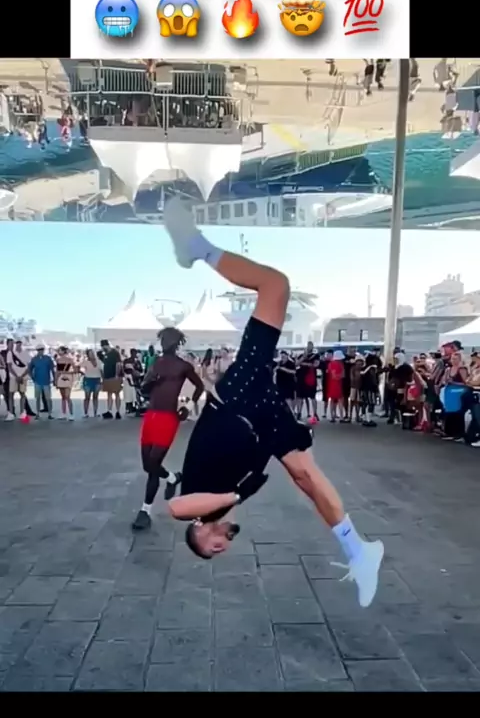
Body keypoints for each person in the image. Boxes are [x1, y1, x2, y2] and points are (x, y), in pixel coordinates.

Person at [161, 199, 384, 608]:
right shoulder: (224, 503)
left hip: (238, 401)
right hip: (261, 422)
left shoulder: (196, 511)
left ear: (199, 533)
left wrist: (233, 497)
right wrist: (238, 495)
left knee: (275, 285)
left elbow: (175, 507)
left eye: (211, 549)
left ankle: (197, 247)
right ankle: (358, 550)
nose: (221, 548)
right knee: (305, 475)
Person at [132, 327, 204, 531]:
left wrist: (187, 407)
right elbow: (144, 389)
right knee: (147, 465)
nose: (164, 343)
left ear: (175, 343)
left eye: (167, 340)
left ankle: (145, 511)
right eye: (162, 340)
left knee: (154, 463)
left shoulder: (183, 366)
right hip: (151, 416)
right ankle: (172, 478)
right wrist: (152, 381)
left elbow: (199, 387)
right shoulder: (156, 362)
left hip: (168, 418)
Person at [98, 339, 122, 420]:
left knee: (116, 393)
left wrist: (117, 374)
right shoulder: (105, 354)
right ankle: (109, 410)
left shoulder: (115, 353)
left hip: (114, 376)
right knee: (109, 394)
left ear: (106, 345)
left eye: (102, 346)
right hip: (107, 376)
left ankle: (118, 411)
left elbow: (118, 364)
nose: (102, 348)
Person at [295, 341, 319, 422]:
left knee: (313, 397)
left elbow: (315, 365)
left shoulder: (315, 356)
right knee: (299, 397)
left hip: (311, 379)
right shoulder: (301, 355)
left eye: (311, 346)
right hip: (301, 379)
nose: (309, 347)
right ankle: (299, 413)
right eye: (308, 346)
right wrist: (303, 357)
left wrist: (304, 364)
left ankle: (315, 413)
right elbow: (296, 364)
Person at [29, 344, 55, 419]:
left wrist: (54, 379)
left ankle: (50, 414)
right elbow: (29, 369)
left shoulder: (48, 359)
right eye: (39, 350)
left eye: (42, 350)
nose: (40, 351)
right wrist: (32, 378)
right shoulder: (34, 359)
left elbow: (52, 369)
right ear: (37, 351)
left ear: (43, 350)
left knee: (48, 398)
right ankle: (37, 413)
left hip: (46, 381)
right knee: (38, 398)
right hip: (37, 381)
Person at [6, 340, 30, 418]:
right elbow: (9, 367)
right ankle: (11, 413)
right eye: (16, 344)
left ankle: (22, 412)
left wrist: (22, 376)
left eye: (19, 344)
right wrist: (16, 376)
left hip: (23, 377)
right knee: (11, 394)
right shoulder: (10, 353)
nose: (18, 345)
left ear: (21, 344)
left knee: (22, 394)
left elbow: (29, 366)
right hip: (13, 377)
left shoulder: (26, 353)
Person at [81, 348, 103, 417]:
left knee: (95, 396)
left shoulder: (99, 361)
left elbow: (101, 371)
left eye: (92, 353)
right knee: (87, 397)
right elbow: (80, 368)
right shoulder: (85, 362)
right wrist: (83, 372)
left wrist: (103, 381)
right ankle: (85, 413)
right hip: (88, 380)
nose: (92, 354)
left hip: (97, 380)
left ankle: (96, 412)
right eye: (90, 353)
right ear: (88, 355)